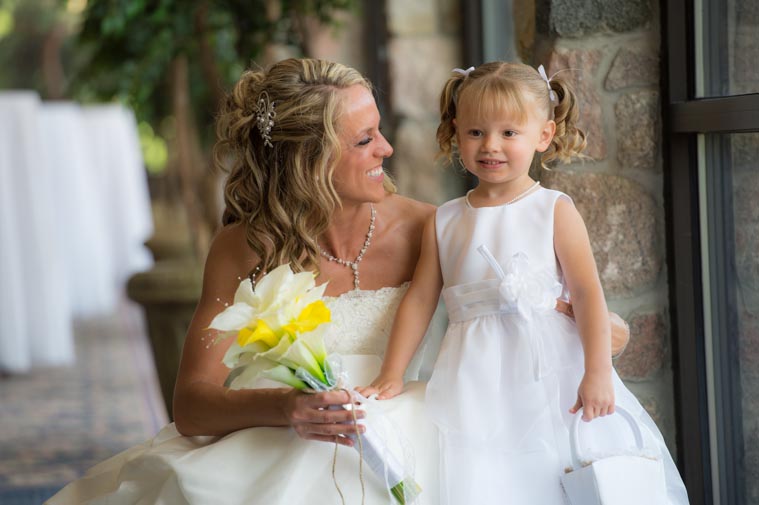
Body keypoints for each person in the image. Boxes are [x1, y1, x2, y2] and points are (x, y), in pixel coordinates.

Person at [47, 58, 629, 505]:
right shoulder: (242, 246)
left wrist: (577, 327)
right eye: (363, 139)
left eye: (378, 130)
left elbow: (572, 322)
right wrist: (290, 409)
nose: (388, 147)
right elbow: (192, 405)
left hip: (412, 433)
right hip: (276, 442)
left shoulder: (435, 227)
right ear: (308, 158)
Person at [360, 62, 690, 504]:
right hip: (474, 379)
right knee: (492, 478)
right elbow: (420, 301)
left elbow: (588, 294)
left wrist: (596, 372)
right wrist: (392, 373)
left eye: (509, 133)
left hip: (551, 375)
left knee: (558, 471)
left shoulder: (553, 209)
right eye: (476, 132)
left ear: (544, 136)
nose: (490, 145)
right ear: (456, 131)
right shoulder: (445, 219)